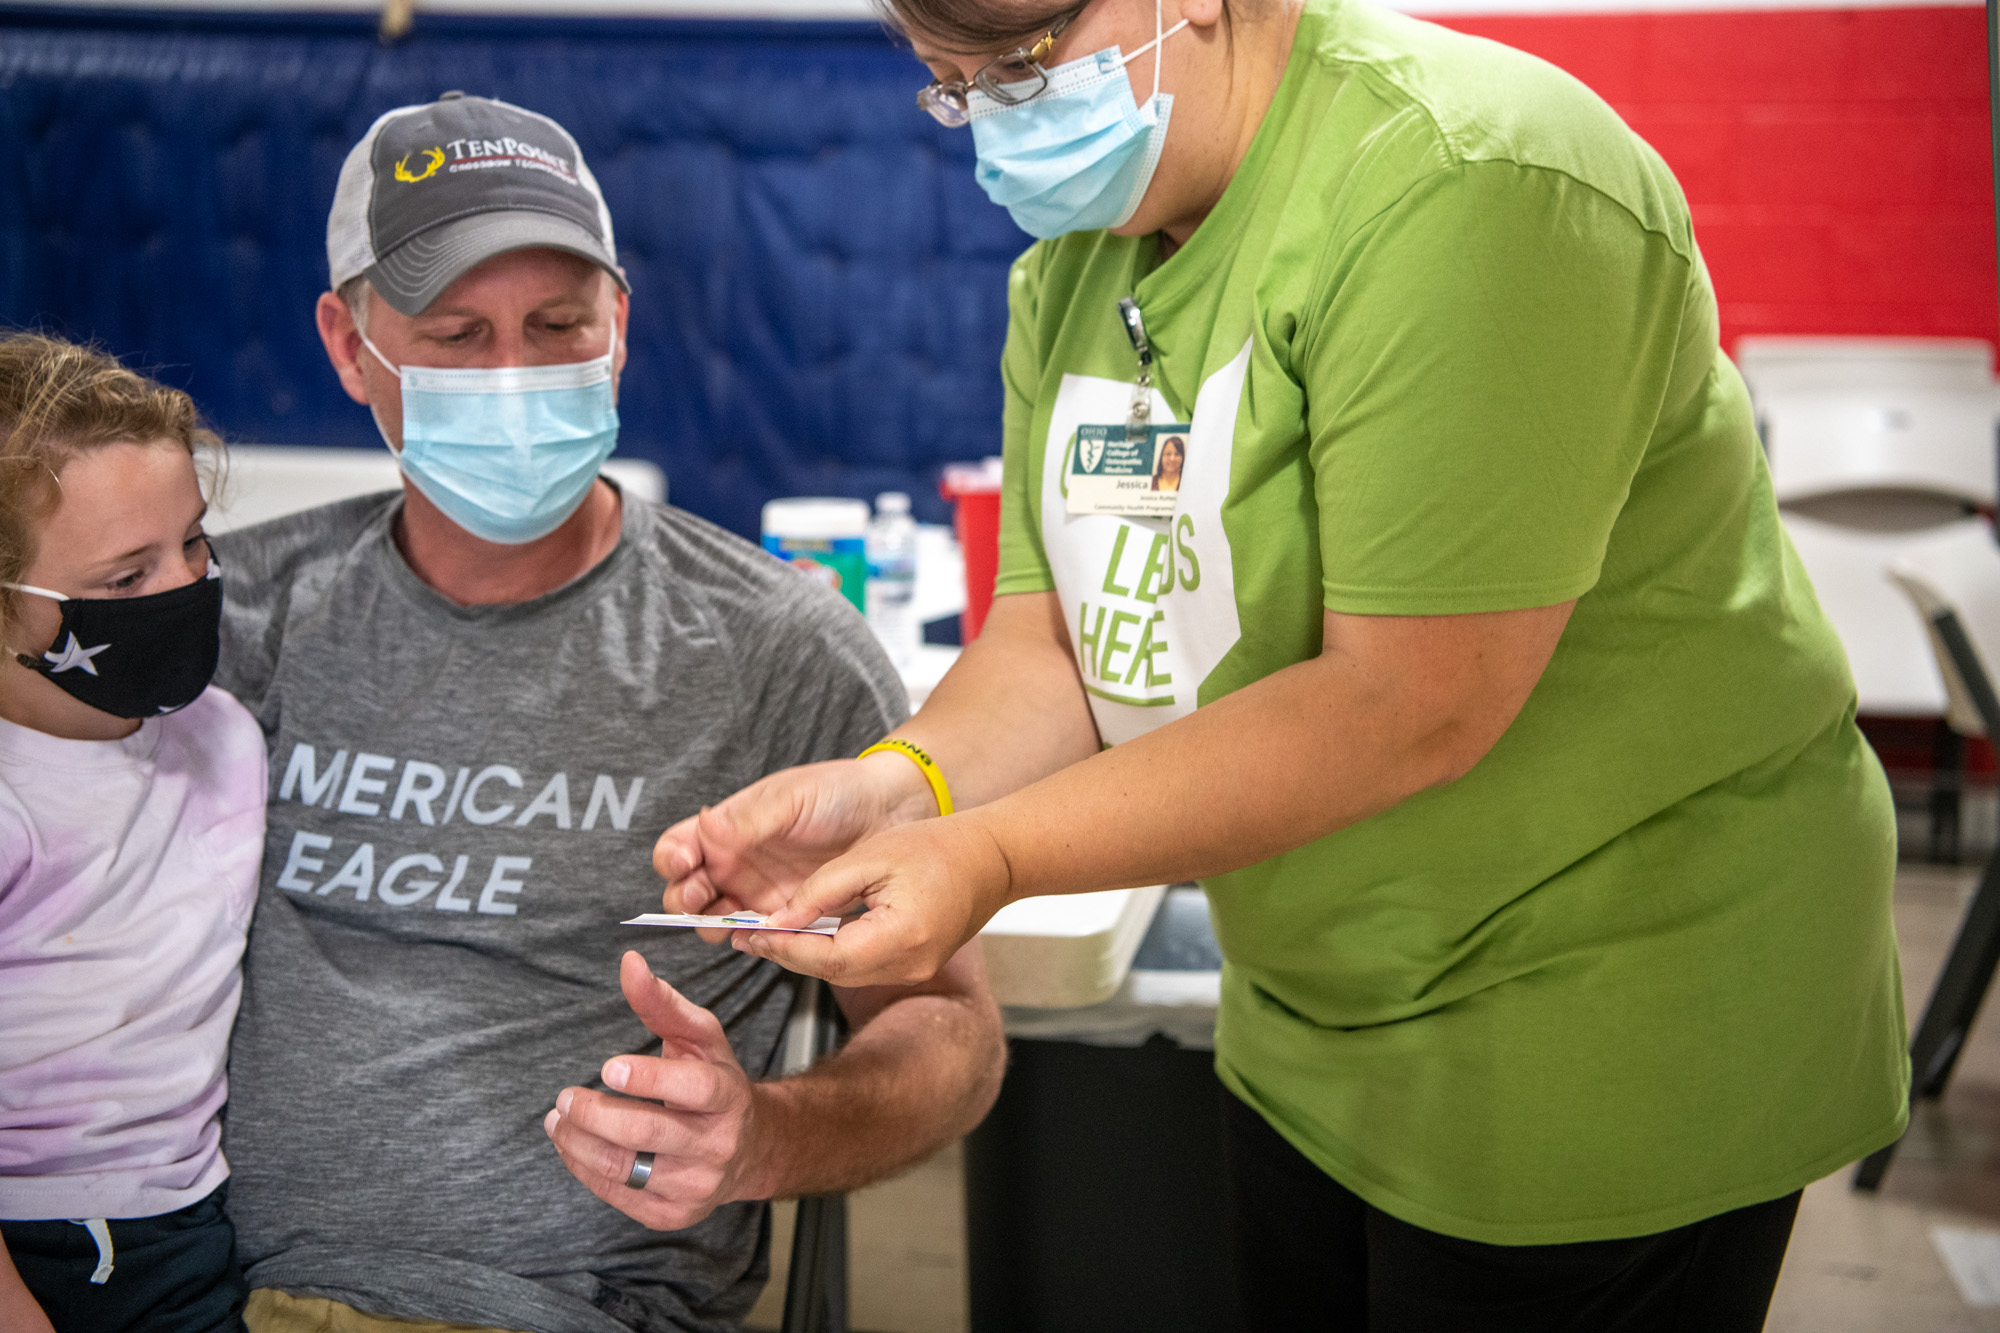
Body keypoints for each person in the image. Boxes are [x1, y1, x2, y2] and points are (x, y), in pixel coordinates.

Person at [654, 1, 1909, 1328]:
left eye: (1021, 67)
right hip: (1317, 1005)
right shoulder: (1083, 258)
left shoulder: (1467, 183)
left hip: (1601, 1002)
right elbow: (1057, 640)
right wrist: (903, 789)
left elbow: (1407, 704)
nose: (997, 119)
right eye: (951, 85)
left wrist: (993, 858)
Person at [211, 94, 1003, 1333]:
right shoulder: (234, 623)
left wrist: (763, 1142)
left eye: (559, 325)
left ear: (620, 327)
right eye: (458, 334)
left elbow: (949, 1032)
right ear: (349, 344)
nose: (514, 379)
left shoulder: (772, 659)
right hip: (185, 1289)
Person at [0, 334, 265, 1333]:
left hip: (184, 1223)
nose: (183, 590)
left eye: (193, 544)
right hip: (45, 1234)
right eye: (123, 579)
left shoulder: (224, 738)